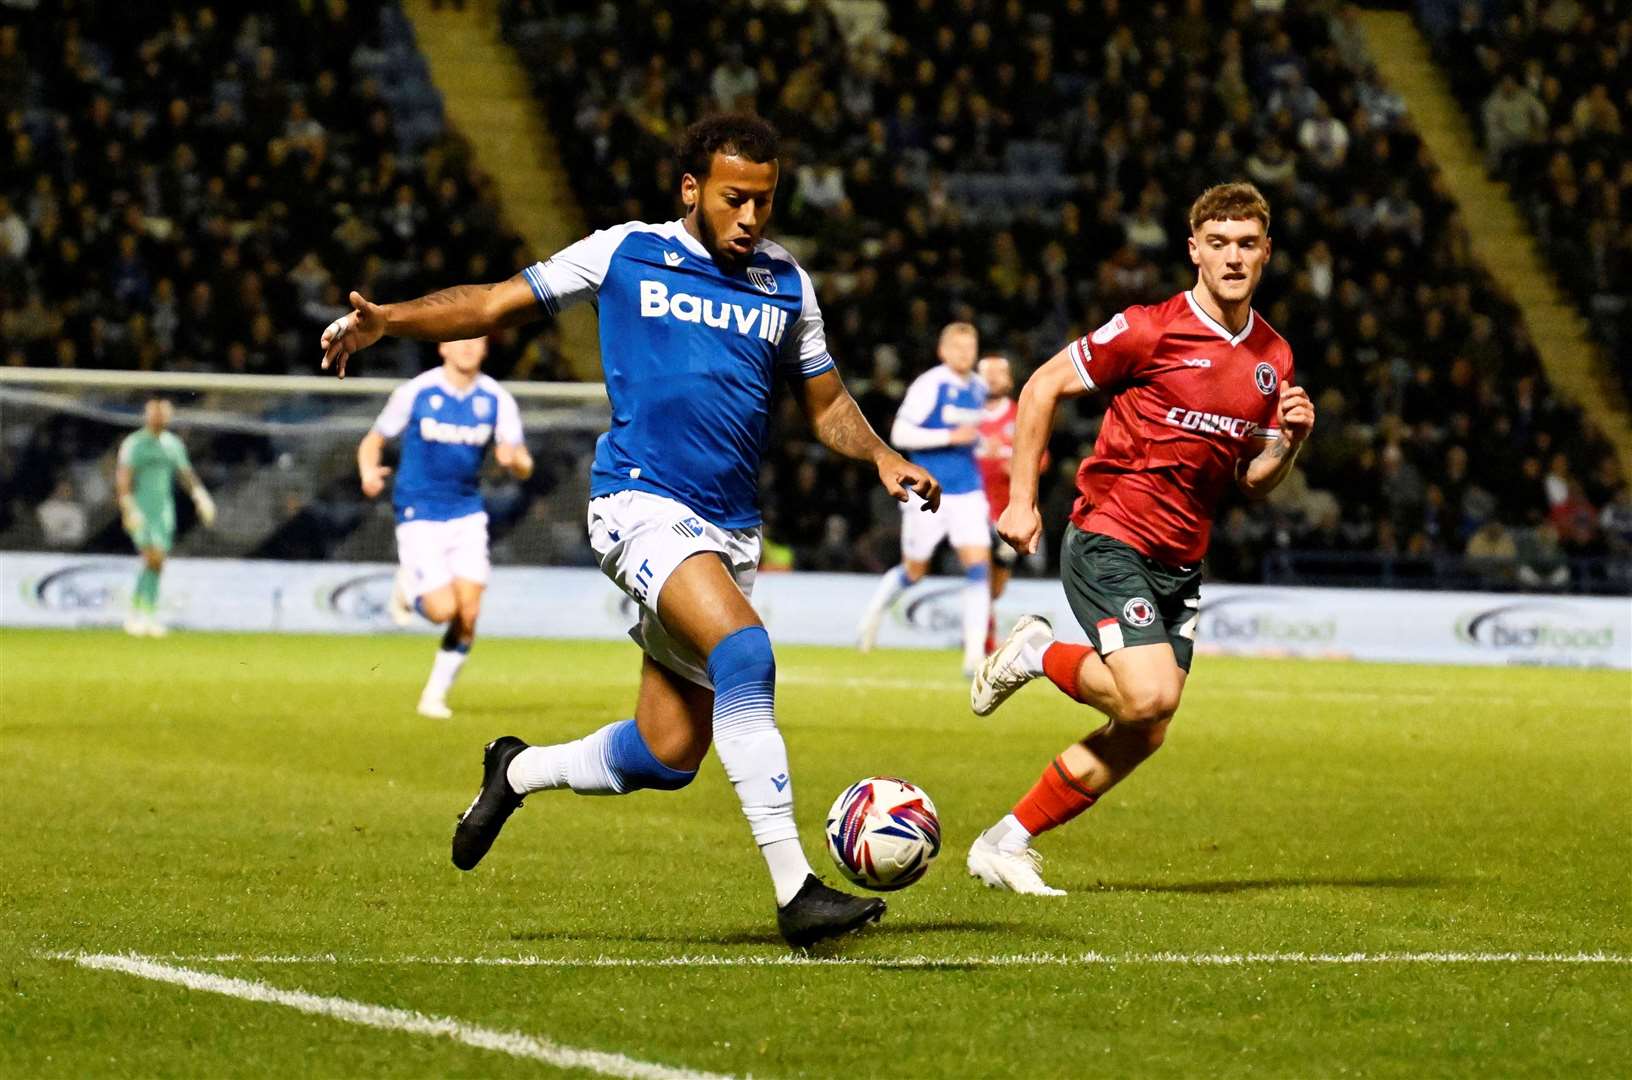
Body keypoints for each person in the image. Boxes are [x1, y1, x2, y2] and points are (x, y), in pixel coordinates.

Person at [319, 114, 941, 948]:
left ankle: (517, 769)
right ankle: (797, 893)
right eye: (734, 199)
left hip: (729, 530)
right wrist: (388, 320)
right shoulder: (623, 251)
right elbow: (494, 303)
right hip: (638, 503)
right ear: (692, 191)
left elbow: (826, 404)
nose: (752, 217)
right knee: (747, 654)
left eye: (764, 200)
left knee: (666, 753)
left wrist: (881, 456)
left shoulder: (787, 283)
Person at [966, 182, 1315, 894]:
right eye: (1218, 244)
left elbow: (1250, 480)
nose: (1233, 258)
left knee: (1145, 728)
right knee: (1149, 697)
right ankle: (1037, 652)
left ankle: (1006, 841)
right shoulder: (1148, 329)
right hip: (1110, 533)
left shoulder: (1273, 356)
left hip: (1181, 559)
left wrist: (1291, 444)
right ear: (1193, 250)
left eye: (1247, 244)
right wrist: (1023, 502)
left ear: (1267, 252)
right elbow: (1039, 387)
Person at [357, 336, 534, 719]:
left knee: (468, 615)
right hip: (419, 512)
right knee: (441, 611)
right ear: (443, 348)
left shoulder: (497, 400)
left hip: (467, 513)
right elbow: (373, 440)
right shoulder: (416, 391)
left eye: (477, 340)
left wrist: (513, 459)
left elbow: (523, 463)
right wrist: (369, 470)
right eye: (460, 340)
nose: (468, 347)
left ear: (486, 348)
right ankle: (408, 586)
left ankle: (433, 697)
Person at [855, 322, 990, 674]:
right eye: (958, 348)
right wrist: (950, 435)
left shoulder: (979, 387)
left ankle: (973, 655)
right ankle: (873, 615)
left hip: (969, 490)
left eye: (970, 347)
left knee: (978, 566)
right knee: (915, 570)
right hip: (928, 491)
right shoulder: (930, 385)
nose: (965, 354)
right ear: (943, 351)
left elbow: (975, 436)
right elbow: (901, 432)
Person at [115, 397, 216, 636]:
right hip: (140, 509)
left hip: (164, 512)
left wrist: (201, 496)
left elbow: (185, 473)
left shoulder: (173, 444)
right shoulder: (135, 443)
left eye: (163, 414)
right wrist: (127, 506)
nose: (159, 418)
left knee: (157, 563)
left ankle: (137, 613)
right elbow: (123, 477)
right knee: (153, 558)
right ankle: (144, 615)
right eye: (155, 413)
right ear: (147, 416)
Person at [973, 353, 1047, 654]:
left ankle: (982, 626)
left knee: (996, 584)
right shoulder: (966, 416)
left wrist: (1012, 465)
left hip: (1007, 514)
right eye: (986, 373)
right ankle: (981, 642)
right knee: (978, 571)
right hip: (972, 509)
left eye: (998, 372)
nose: (992, 378)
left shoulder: (1020, 415)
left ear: (1009, 379)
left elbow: (1042, 458)